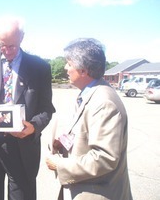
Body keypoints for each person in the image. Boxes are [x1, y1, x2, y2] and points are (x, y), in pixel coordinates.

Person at [0, 15, 55, 200]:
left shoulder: (40, 67)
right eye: (1, 45)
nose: (6, 51)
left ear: (22, 37)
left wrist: (33, 127)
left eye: (11, 46)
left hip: (22, 149)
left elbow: (47, 109)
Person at [45, 38, 133, 200]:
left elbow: (104, 158)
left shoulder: (104, 102)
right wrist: (63, 143)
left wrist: (60, 165)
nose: (65, 68)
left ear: (84, 70)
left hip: (97, 193)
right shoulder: (90, 93)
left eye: (69, 64)